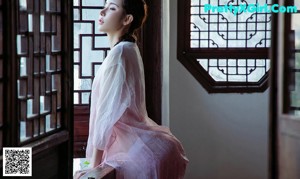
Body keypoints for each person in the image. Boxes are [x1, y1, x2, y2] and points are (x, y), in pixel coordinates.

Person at [74, 0, 188, 178]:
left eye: (111, 8)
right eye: (104, 6)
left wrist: (94, 165)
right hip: (146, 149)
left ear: (127, 19)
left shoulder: (121, 52)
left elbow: (106, 114)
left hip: (138, 153)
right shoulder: (128, 49)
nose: (102, 12)